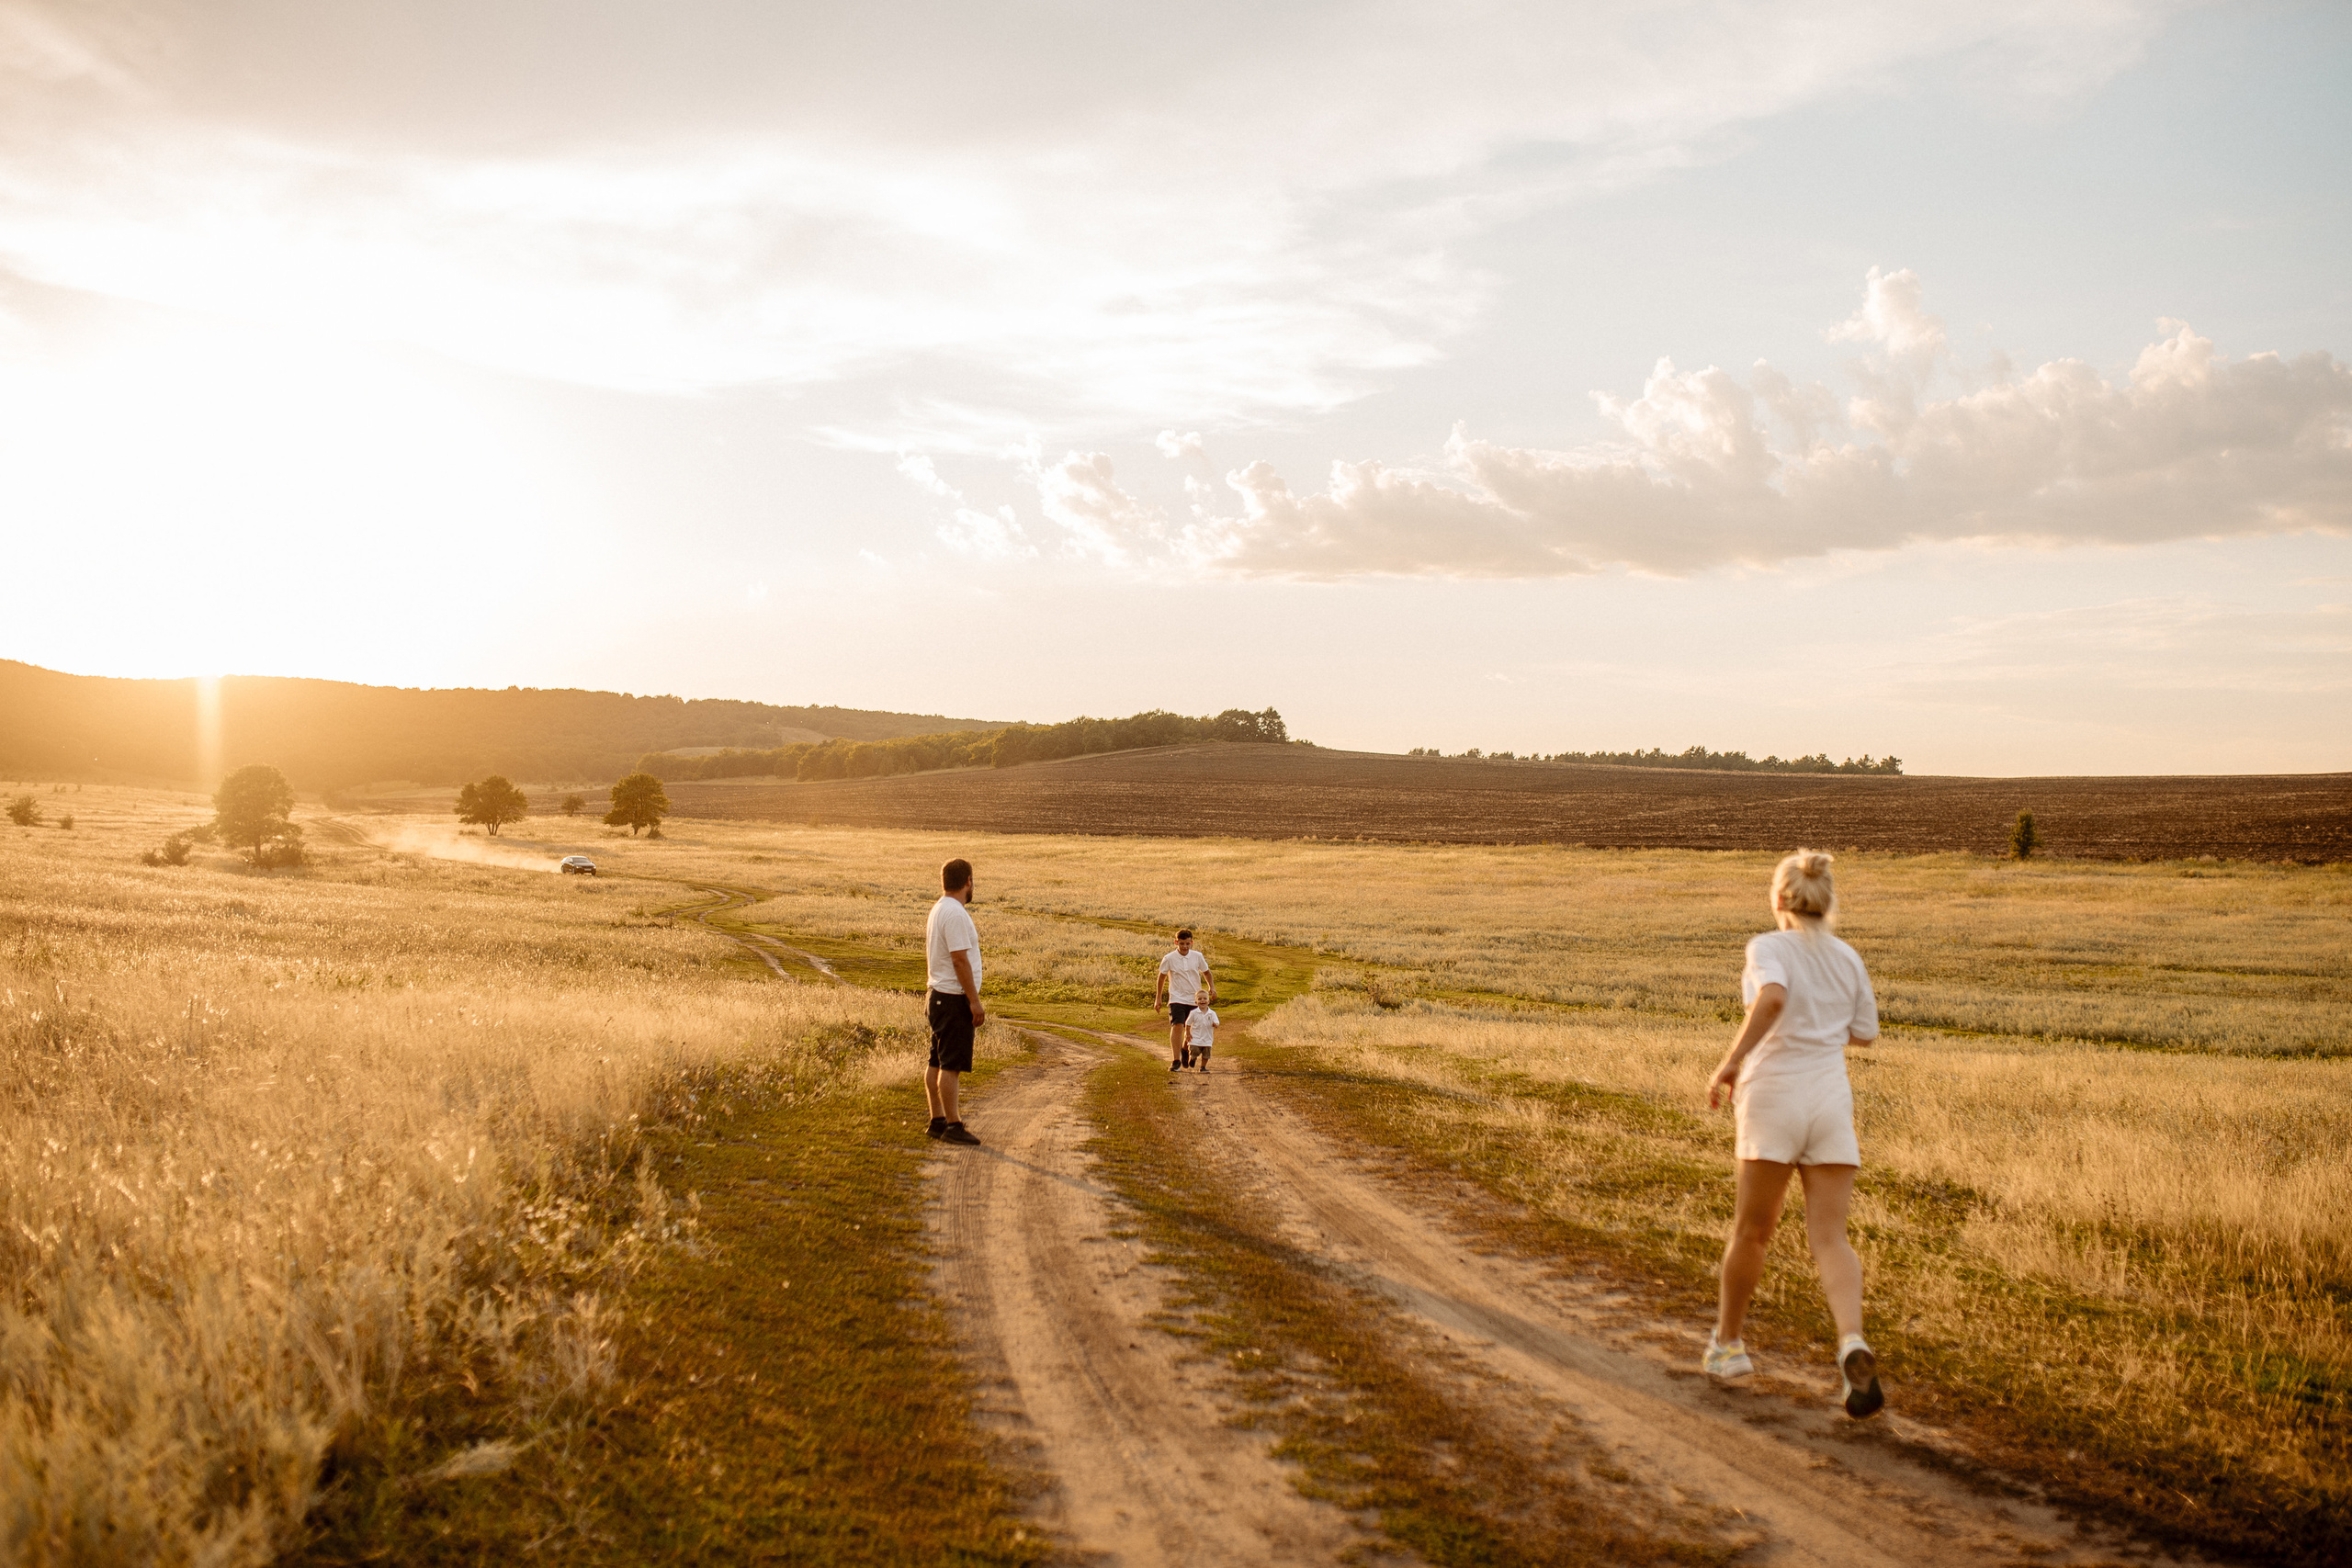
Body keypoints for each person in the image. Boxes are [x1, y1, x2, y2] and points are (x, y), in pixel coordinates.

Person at [1703, 848, 1884, 1419]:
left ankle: (1728, 1346)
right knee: (1831, 1238)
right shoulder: (1847, 957)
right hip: (1830, 1100)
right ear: (1825, 901)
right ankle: (1851, 1340)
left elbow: (1774, 996)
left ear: (1780, 898)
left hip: (1775, 1096)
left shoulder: (1768, 946)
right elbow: (1864, 1034)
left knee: (1753, 1231)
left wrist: (1731, 1062)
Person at [924, 857, 985, 1146]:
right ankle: (953, 1125)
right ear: (968, 882)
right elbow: (960, 961)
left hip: (937, 995)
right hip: (952, 999)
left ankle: (937, 1120)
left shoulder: (939, 909)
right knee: (951, 1065)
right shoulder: (956, 914)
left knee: (936, 1060)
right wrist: (974, 1002)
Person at [1155, 929, 1213, 1072]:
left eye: (1187, 944)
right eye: (1182, 944)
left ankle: (1185, 1049)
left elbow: (1206, 972)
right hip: (1177, 998)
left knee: (1192, 1029)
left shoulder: (1197, 956)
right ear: (1176, 942)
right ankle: (1176, 1061)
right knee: (1177, 1026)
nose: (1185, 947)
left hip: (1194, 999)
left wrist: (1212, 987)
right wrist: (1158, 999)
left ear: (1191, 943)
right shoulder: (1169, 958)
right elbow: (1161, 977)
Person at [1185, 1001, 1220, 1073]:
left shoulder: (1212, 1013)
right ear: (1196, 1002)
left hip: (1207, 1038)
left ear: (1208, 1002)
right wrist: (1188, 1033)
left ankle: (1203, 1067)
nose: (1202, 1000)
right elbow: (1188, 1023)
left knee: (1206, 1054)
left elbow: (1217, 1022)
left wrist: (1215, 1024)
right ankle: (1193, 1058)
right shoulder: (1193, 1013)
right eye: (1200, 999)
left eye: (1205, 999)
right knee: (1194, 1050)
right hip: (1195, 1037)